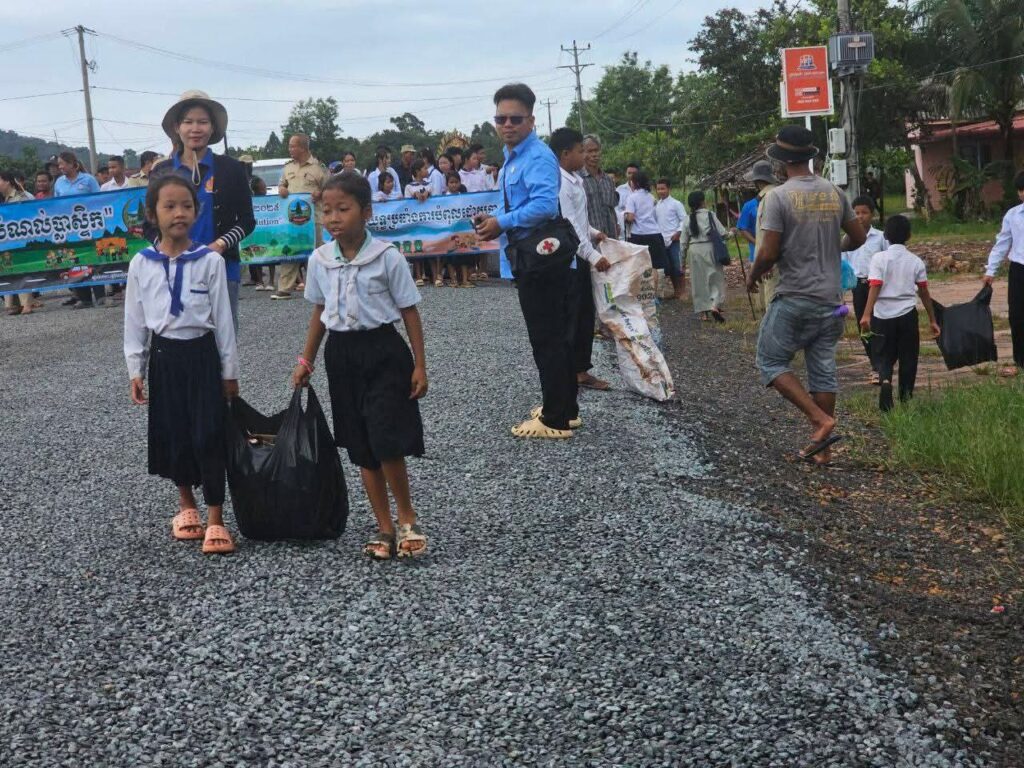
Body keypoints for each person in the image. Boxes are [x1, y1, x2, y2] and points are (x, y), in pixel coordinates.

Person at [291, 172, 428, 560]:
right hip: (341, 356)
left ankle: (406, 517)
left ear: (366, 212)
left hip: (384, 353)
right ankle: (383, 526)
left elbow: (409, 311)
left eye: (343, 209)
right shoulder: (320, 260)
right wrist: (306, 360)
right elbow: (320, 312)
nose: (333, 218)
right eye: (327, 211)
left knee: (386, 438)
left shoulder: (386, 257)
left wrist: (420, 365)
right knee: (361, 445)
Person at [123, 174, 240, 555]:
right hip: (164, 357)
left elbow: (223, 320)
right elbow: (135, 320)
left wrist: (229, 372)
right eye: (169, 206)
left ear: (197, 211)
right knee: (175, 431)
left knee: (210, 432)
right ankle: (186, 504)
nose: (179, 213)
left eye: (186, 206)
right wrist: (136, 368)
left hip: (202, 355)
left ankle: (216, 517)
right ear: (152, 214)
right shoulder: (141, 264)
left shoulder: (209, 261)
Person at [746, 125, 866, 466]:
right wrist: (833, 248)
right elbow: (858, 237)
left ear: (781, 162)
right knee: (822, 371)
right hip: (831, 301)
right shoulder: (834, 192)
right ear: (809, 157)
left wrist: (754, 275)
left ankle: (819, 419)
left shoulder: (778, 197)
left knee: (770, 360)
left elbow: (768, 251)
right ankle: (823, 450)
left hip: (795, 297)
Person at [473, 82, 577, 438]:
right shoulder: (512, 158)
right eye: (500, 119)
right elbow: (519, 205)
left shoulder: (536, 157)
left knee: (547, 337)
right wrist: (493, 221)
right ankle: (564, 406)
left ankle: (554, 420)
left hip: (543, 261)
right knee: (554, 336)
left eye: (515, 119)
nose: (507, 125)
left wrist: (501, 222)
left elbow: (544, 206)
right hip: (530, 258)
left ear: (531, 121)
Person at [149, 90, 256, 331]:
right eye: (188, 122)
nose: (195, 128)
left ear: (212, 127)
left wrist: (219, 245)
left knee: (224, 333)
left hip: (222, 266)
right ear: (177, 127)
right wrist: (166, 250)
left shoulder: (232, 168)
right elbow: (148, 223)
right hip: (172, 267)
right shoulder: (161, 172)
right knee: (175, 332)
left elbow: (247, 221)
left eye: (203, 122)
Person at [551, 127, 611, 392]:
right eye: (580, 151)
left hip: (580, 255)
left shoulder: (574, 179)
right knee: (577, 314)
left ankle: (579, 368)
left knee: (585, 313)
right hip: (572, 260)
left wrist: (595, 233)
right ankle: (577, 371)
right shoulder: (562, 184)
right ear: (566, 154)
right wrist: (593, 255)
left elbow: (580, 220)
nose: (584, 156)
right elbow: (570, 225)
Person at [859, 215, 940, 412]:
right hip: (907, 315)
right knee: (908, 356)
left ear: (885, 236)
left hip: (882, 315)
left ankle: (886, 380)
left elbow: (875, 286)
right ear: (909, 236)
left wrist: (866, 314)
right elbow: (924, 291)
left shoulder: (878, 259)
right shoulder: (915, 261)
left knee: (883, 354)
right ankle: (905, 397)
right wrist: (932, 319)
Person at [272, 133, 327, 300]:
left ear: (303, 148)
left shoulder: (319, 168)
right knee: (290, 251)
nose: (289, 149)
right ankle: (284, 288)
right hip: (292, 220)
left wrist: (320, 193)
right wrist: (282, 189)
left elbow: (330, 189)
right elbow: (282, 185)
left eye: (292, 146)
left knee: (317, 253)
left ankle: (322, 288)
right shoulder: (288, 168)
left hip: (314, 219)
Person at [842, 195, 889, 382]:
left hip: (878, 287)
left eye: (864, 212)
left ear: (872, 214)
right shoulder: (847, 239)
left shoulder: (881, 237)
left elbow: (889, 259)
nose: (860, 217)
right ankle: (875, 364)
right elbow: (843, 266)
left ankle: (882, 364)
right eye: (856, 213)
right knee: (864, 325)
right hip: (859, 287)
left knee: (880, 324)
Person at [983, 170, 1024, 375]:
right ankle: (1020, 361)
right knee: (1017, 315)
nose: (1023, 193)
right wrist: (991, 269)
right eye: (1021, 190)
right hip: (1018, 269)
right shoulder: (1013, 215)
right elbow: (1003, 243)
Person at [54, 152, 104, 308]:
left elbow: (100, 200)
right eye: (58, 164)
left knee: (93, 259)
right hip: (69, 228)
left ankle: (100, 296)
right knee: (75, 260)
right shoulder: (59, 182)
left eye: (62, 164)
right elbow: (56, 204)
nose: (60, 167)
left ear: (72, 164)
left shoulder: (88, 179)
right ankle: (85, 298)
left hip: (89, 226)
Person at [736, 160, 779, 312]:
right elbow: (743, 228)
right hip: (767, 256)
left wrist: (765, 261)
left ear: (756, 181)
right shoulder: (771, 197)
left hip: (768, 258)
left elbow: (771, 235)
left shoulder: (768, 199)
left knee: (772, 299)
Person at [680, 191, 729, 322]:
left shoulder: (687, 219)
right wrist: (733, 233)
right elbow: (723, 234)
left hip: (694, 250)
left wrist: (682, 262)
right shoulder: (710, 215)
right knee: (715, 278)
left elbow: (683, 243)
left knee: (698, 282)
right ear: (702, 202)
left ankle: (703, 313)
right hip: (710, 248)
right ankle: (714, 305)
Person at [624, 171, 670, 284]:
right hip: (654, 234)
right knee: (654, 266)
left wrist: (624, 216)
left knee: (638, 266)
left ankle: (641, 291)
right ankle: (654, 292)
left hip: (638, 235)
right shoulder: (651, 197)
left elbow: (630, 217)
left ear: (635, 182)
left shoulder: (632, 197)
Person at [1, 171, 36, 316]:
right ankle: (13, 304)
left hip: (20, 239)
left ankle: (26, 304)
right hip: (5, 241)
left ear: (8, 181)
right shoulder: (3, 199)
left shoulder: (21, 197)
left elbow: (29, 215)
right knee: (8, 269)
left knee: (21, 270)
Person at [579, 135, 619, 240]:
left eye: (596, 150)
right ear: (582, 153)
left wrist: (616, 226)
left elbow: (611, 209)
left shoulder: (608, 180)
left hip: (610, 239)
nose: (594, 154)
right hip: (589, 240)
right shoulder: (578, 180)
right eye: (589, 151)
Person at [654, 178, 687, 300]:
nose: (660, 191)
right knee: (669, 268)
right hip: (662, 241)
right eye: (658, 189)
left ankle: (683, 292)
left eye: (663, 188)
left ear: (669, 189)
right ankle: (676, 291)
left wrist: (678, 232)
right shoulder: (656, 205)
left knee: (678, 266)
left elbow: (684, 219)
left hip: (674, 240)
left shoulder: (676, 204)